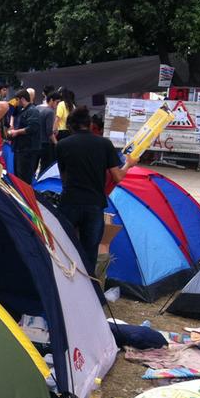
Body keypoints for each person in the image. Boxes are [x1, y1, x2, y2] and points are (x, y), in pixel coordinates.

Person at [56, 106, 132, 274]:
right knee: (90, 252)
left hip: (70, 202)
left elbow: (63, 178)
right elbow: (118, 177)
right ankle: (89, 290)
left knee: (63, 246)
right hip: (94, 204)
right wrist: (129, 164)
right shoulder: (104, 144)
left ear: (71, 126)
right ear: (89, 124)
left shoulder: (62, 145)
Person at [9, 89, 43, 183]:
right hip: (19, 148)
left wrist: (16, 132)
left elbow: (32, 127)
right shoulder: (20, 109)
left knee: (24, 177)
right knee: (17, 175)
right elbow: (10, 110)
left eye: (17, 100)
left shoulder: (33, 111)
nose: (16, 102)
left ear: (23, 99)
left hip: (28, 149)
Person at [36, 91, 60, 172]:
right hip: (46, 143)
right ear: (51, 100)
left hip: (37, 141)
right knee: (45, 167)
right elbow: (49, 131)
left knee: (35, 166)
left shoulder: (39, 109)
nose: (58, 105)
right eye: (57, 102)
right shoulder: (50, 112)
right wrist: (56, 143)